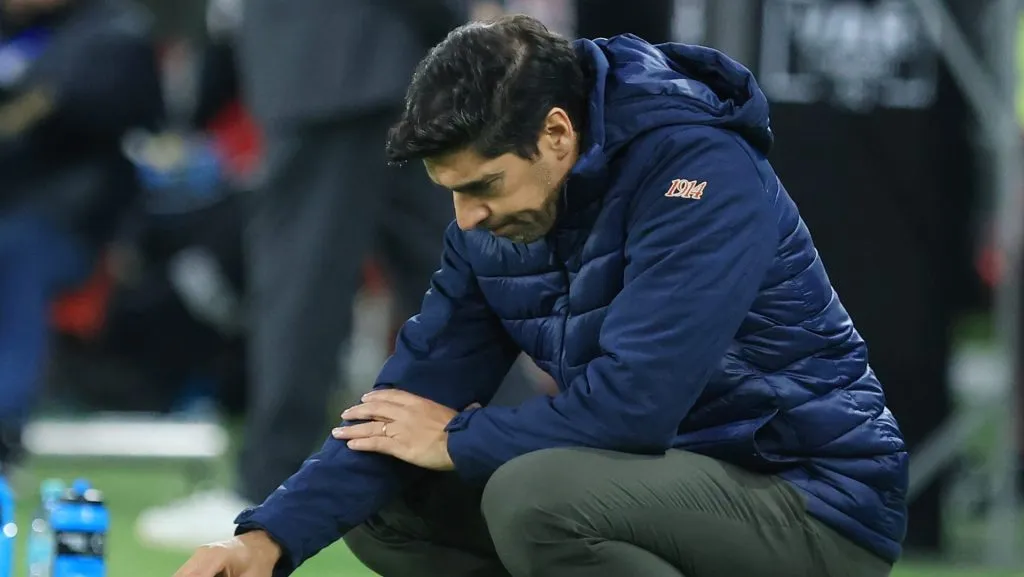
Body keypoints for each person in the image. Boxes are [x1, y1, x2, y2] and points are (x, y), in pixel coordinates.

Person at [173, 15, 907, 577]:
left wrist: (455, 440)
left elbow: (634, 407)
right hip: (648, 486)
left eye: (482, 186)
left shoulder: (699, 168)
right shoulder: (500, 211)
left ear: (557, 133)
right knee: (389, 496)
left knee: (535, 495)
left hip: (810, 502)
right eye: (451, 193)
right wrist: (262, 540)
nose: (465, 219)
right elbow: (402, 406)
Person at [136, 0, 543, 548]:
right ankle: (530, 457)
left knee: (301, 286)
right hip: (381, 62)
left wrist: (464, 15)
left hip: (336, 64)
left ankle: (267, 483)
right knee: (448, 272)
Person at [0, 0, 163, 469]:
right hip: (17, 213)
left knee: (14, 253)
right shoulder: (17, 33)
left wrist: (33, 97)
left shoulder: (113, 32)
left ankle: (4, 427)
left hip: (74, 224)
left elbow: (98, 109)